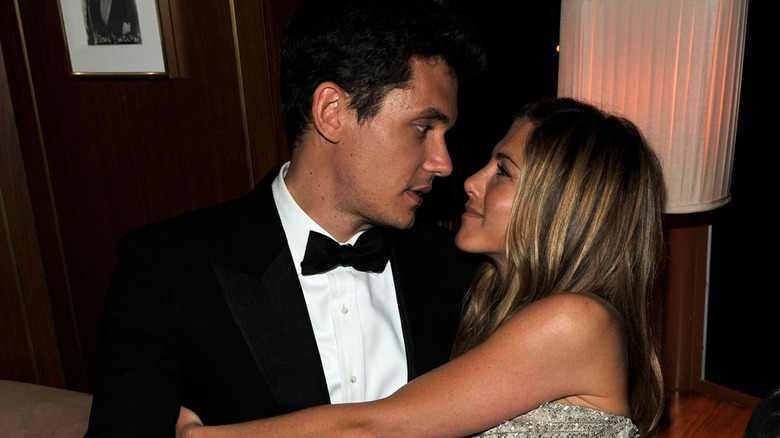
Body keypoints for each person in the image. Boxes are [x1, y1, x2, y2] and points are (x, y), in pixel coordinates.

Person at [84, 0, 484, 436]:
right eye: (423, 128)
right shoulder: (167, 271)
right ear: (332, 111)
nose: (443, 163)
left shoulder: (456, 269)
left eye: (445, 134)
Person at [175, 98, 667, 438]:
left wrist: (204, 437)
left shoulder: (576, 321)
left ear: (565, 206)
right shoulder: (487, 300)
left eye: (503, 170)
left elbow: (377, 427)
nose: (470, 180)